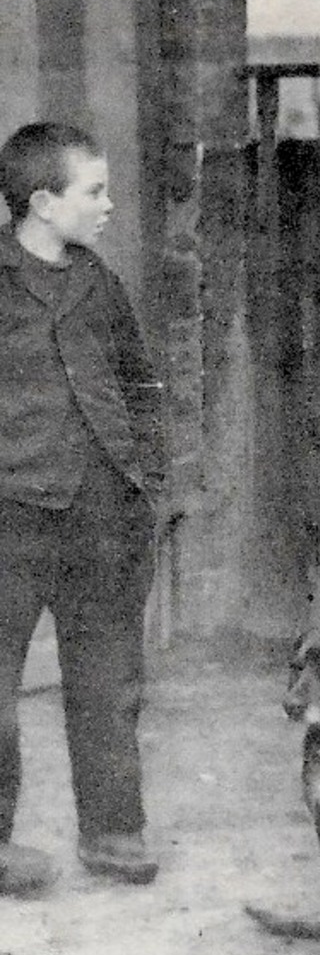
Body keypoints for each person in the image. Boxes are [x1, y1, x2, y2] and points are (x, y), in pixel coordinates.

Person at [0, 123, 165, 894]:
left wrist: (146, 481)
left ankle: (113, 833)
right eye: (93, 191)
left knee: (107, 678)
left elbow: (139, 386)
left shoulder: (99, 281)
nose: (107, 206)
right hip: (10, 518)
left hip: (101, 513)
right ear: (40, 202)